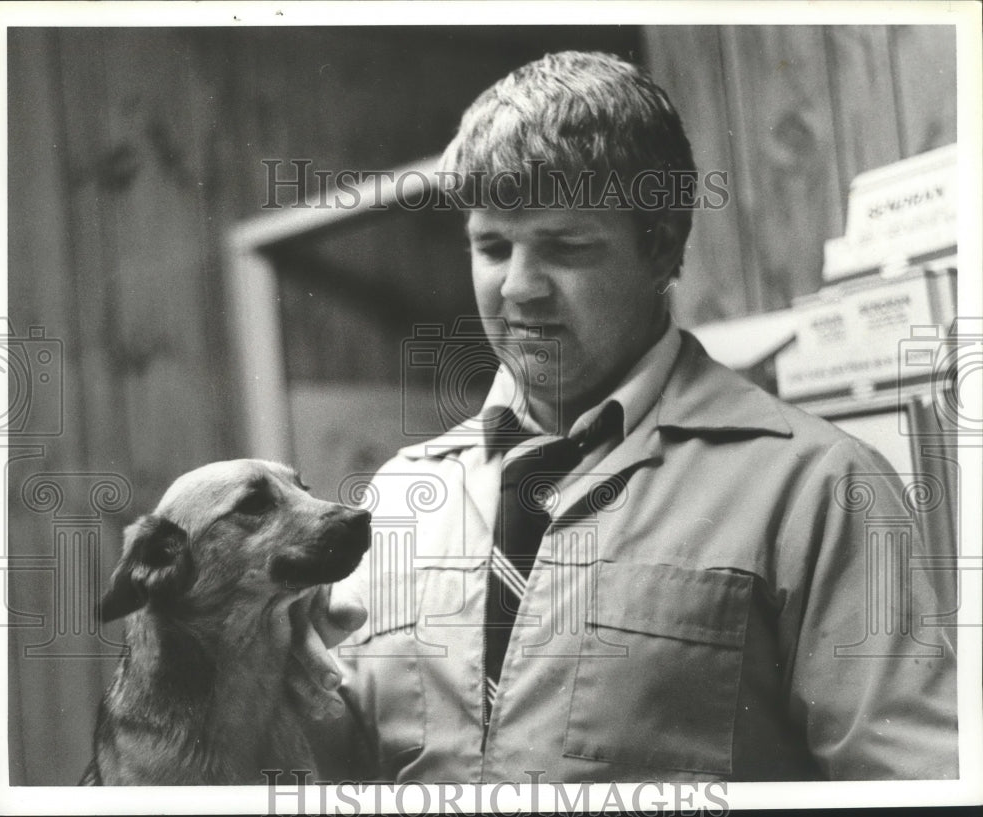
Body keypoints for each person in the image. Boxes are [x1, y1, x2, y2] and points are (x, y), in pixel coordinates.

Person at [291, 50, 960, 783]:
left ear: (661, 245)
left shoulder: (815, 488)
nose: (518, 288)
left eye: (565, 247)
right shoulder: (400, 496)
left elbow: (915, 780)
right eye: (492, 247)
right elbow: (333, 756)